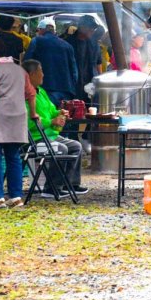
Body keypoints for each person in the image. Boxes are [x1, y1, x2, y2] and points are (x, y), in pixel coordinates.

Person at [0, 38, 36, 208]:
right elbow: (31, 93)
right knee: (14, 158)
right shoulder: (20, 70)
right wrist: (33, 113)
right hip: (18, 118)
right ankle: (16, 196)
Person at [22, 60, 88, 198]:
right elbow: (27, 122)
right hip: (34, 139)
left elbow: (52, 110)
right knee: (61, 149)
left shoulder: (41, 92)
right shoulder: (24, 95)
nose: (43, 75)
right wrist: (51, 121)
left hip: (50, 135)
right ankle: (51, 187)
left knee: (76, 146)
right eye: (41, 71)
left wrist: (60, 113)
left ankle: (71, 183)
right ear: (32, 74)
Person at [24, 18, 78, 108]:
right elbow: (75, 72)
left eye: (37, 30)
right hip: (67, 91)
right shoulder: (68, 46)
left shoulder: (36, 41)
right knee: (64, 118)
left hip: (46, 90)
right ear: (54, 31)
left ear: (41, 30)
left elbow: (27, 64)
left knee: (48, 118)